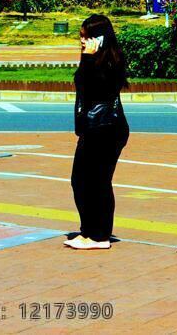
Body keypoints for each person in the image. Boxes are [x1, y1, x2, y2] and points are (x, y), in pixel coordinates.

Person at [66, 14, 130, 250]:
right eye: (81, 37)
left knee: (99, 181)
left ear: (100, 38)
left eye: (87, 37)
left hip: (108, 129)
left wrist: (89, 61)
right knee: (80, 181)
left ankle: (100, 236)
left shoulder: (112, 62)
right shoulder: (91, 60)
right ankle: (88, 231)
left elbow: (97, 91)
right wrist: (87, 60)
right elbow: (82, 86)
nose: (82, 41)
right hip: (92, 129)